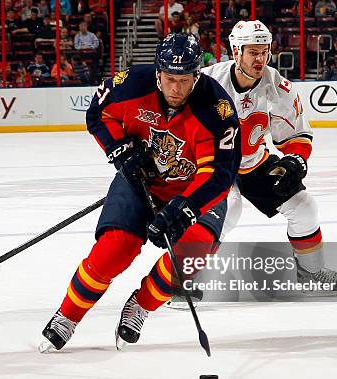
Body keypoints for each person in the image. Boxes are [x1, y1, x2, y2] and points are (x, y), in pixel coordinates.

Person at [39, 33, 241, 353]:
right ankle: (68, 315)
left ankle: (142, 306)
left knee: (192, 254)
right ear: (158, 74)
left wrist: (183, 208)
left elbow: (220, 174)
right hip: (141, 181)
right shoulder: (132, 84)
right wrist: (118, 149)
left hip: (193, 191)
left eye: (185, 79)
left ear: (197, 76)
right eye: (170, 79)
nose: (177, 88)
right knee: (113, 251)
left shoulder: (216, 110)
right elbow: (99, 114)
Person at [202, 20, 337, 296]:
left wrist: (295, 161)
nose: (260, 59)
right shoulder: (207, 81)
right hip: (211, 165)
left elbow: (296, 136)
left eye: (264, 51)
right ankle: (183, 278)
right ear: (236, 52)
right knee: (225, 213)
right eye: (252, 52)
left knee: (304, 206)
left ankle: (309, 272)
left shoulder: (279, 87)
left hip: (252, 162)